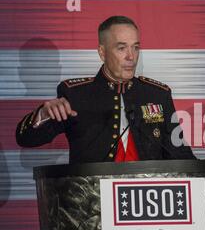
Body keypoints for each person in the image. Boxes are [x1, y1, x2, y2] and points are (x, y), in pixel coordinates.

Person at [16, 16, 195, 164]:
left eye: (136, 47)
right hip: (92, 199)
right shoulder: (76, 95)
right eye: (121, 48)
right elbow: (26, 139)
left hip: (147, 199)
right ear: (102, 52)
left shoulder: (157, 95)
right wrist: (43, 114)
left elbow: (180, 156)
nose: (131, 57)